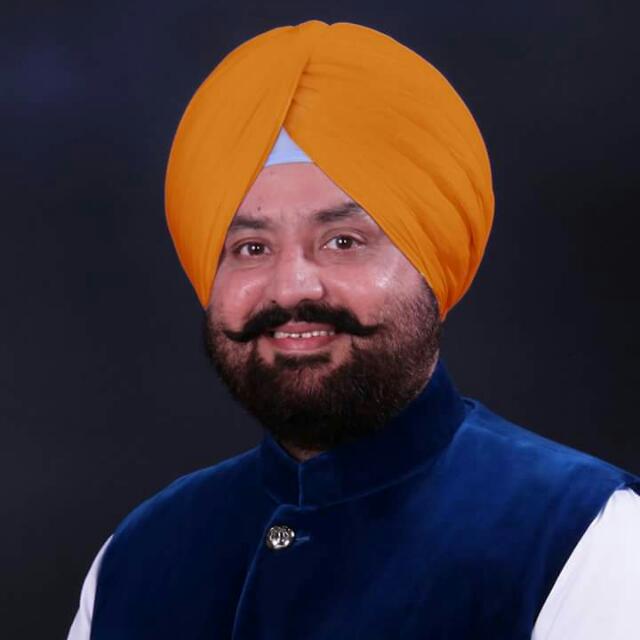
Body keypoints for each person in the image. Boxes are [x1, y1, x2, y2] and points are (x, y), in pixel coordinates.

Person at [67, 20, 640, 640]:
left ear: (433, 261)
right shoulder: (135, 560)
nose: (292, 287)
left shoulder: (586, 542)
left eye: (343, 241)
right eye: (252, 247)